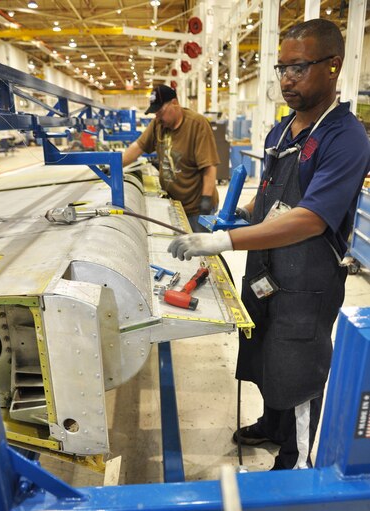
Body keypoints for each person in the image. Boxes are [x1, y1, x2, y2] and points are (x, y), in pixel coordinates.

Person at [167, 19, 370, 470]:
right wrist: (245, 211)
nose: (286, 80)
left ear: (333, 66)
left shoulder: (345, 137)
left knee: (297, 369)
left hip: (306, 281)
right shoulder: (280, 131)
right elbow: (273, 192)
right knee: (265, 356)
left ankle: (294, 459)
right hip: (266, 273)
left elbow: (311, 219)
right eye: (281, 68)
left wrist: (224, 239)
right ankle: (271, 425)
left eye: (298, 68)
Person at [122, 84, 220, 232]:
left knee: (200, 252)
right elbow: (138, 147)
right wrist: (115, 166)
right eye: (155, 113)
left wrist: (205, 202)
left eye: (160, 111)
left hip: (197, 208)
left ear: (174, 103)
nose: (157, 117)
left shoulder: (197, 124)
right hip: (175, 204)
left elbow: (209, 167)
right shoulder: (158, 124)